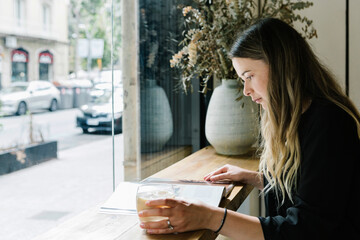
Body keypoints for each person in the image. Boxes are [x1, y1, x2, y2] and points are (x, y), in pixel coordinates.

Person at [137, 18, 360, 239]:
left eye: (249, 76)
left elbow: (305, 228)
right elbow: (315, 187)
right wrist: (255, 177)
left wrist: (208, 217)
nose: (245, 90)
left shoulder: (331, 123)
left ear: (280, 65)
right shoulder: (302, 117)